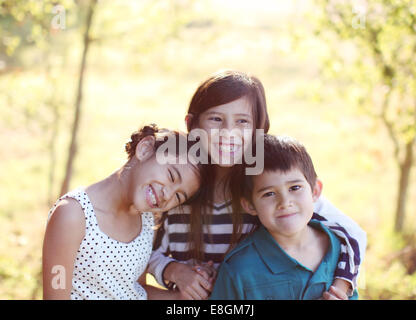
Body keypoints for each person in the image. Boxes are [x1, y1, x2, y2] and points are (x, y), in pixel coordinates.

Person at [147, 70, 366, 300]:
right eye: (215, 119)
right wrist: (174, 271)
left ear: (259, 130)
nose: (228, 133)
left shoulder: (268, 188)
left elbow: (350, 235)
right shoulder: (177, 188)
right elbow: (143, 253)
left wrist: (341, 287)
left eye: (242, 121)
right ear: (192, 124)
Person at [42, 124, 201, 300]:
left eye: (179, 196)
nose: (168, 194)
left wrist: (180, 298)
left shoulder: (147, 221)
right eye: (171, 175)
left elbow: (134, 290)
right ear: (145, 149)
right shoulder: (72, 214)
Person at [210, 134, 358, 300]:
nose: (285, 202)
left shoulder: (340, 247)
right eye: (269, 193)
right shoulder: (239, 269)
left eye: (294, 188)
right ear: (250, 205)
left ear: (315, 191)